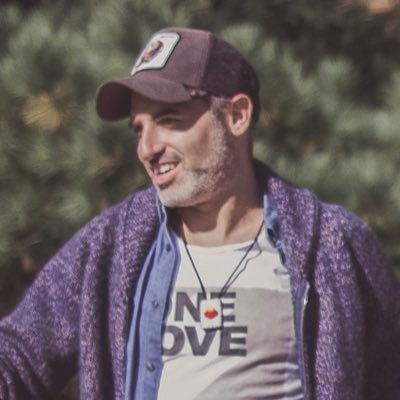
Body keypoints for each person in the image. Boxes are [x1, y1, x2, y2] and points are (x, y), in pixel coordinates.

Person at [0, 26, 399, 400]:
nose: (147, 149)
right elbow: (17, 354)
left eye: (168, 120)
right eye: (139, 129)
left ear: (237, 115)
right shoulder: (111, 245)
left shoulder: (333, 245)